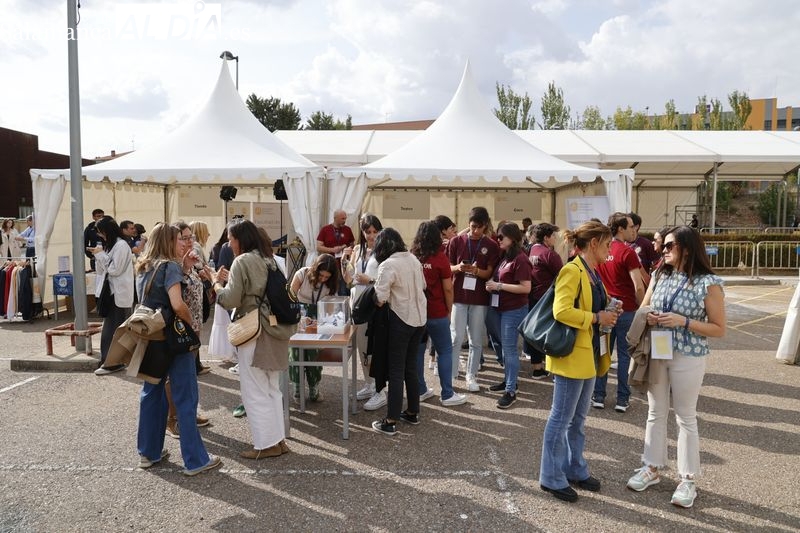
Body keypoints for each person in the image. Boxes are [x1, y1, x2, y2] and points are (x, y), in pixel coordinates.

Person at [626, 225, 725, 509]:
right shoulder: (660, 274)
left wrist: (683, 321)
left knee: (685, 416)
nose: (663, 250)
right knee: (655, 411)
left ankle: (688, 479)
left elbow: (719, 328)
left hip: (688, 354)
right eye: (663, 245)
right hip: (658, 350)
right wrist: (650, 316)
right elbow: (643, 307)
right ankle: (651, 467)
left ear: (687, 249)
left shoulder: (708, 283)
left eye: (669, 246)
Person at [539, 220, 618, 503]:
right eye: (607, 245)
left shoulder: (592, 272)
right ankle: (551, 477)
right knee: (561, 418)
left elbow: (590, 307)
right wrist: (597, 317)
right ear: (593, 244)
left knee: (577, 420)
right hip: (572, 356)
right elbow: (561, 311)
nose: (610, 250)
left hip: (588, 356)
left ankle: (574, 468)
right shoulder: (572, 270)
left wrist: (609, 310)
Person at [134, 222, 221, 475]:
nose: (183, 243)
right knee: (185, 396)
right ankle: (195, 460)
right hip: (174, 338)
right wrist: (191, 326)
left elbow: (155, 296)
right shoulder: (169, 266)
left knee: (152, 392)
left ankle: (148, 452)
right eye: (179, 239)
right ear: (168, 242)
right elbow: (177, 304)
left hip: (151, 336)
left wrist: (183, 268)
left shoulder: (145, 265)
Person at [210, 219, 291, 459]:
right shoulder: (269, 259)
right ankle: (278, 441)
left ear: (240, 239)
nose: (228, 244)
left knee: (254, 391)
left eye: (230, 239)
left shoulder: (242, 261)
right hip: (275, 330)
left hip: (254, 330)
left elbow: (230, 299)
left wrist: (216, 284)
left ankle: (266, 445)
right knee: (272, 389)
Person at [371, 228, 427, 436]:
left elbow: (380, 299)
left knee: (396, 370)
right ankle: (412, 412)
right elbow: (423, 285)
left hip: (401, 319)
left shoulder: (388, 264)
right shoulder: (413, 258)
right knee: (410, 367)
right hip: (420, 319)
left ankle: (390, 420)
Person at [411, 221, 466, 407]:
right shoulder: (440, 258)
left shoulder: (413, 256)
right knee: (444, 351)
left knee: (418, 353)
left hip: (417, 313)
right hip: (436, 312)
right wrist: (449, 310)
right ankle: (447, 394)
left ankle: (420, 390)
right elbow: (448, 289)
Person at [594, 212, 644, 413]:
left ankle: (598, 395)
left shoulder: (602, 250)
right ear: (621, 229)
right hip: (626, 310)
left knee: (603, 352)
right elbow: (638, 285)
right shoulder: (627, 252)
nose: (634, 230)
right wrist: (642, 307)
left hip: (605, 309)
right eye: (631, 226)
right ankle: (622, 399)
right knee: (624, 356)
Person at [164, 221, 211, 437]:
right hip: (181, 327)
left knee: (189, 374)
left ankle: (188, 413)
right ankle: (173, 419)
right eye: (184, 238)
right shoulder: (170, 265)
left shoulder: (185, 262)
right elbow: (176, 298)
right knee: (175, 376)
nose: (189, 241)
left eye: (191, 237)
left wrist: (198, 274)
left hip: (193, 325)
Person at [447, 206, 500, 392]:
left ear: (485, 226)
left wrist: (476, 271)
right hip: (459, 296)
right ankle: (451, 375)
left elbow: (490, 273)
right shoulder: (456, 241)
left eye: (479, 227)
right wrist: (459, 268)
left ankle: (471, 375)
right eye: (472, 226)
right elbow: (448, 267)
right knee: (456, 337)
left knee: (476, 340)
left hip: (479, 299)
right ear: (468, 224)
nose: (475, 230)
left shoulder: (491, 245)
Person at [342, 214, 387, 411]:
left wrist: (369, 280)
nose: (372, 235)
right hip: (357, 302)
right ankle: (369, 384)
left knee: (374, 347)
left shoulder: (384, 251)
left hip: (374, 303)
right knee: (361, 346)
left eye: (375, 231)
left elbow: (387, 281)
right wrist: (344, 261)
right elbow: (348, 279)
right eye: (368, 232)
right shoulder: (358, 250)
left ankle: (380, 390)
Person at [485, 222, 532, 409]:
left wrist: (499, 286)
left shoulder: (521, 259)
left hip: (514, 310)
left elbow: (526, 288)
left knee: (510, 349)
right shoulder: (506, 256)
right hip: (501, 308)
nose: (498, 240)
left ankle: (511, 390)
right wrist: (493, 283)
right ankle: (508, 382)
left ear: (512, 238)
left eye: (501, 237)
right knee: (506, 348)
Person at [289, 253, 339, 401]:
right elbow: (290, 297)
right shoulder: (302, 274)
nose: (323, 279)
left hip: (318, 317)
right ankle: (297, 388)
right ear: (315, 270)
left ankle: (314, 388)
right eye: (321, 275)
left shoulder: (332, 284)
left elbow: (331, 306)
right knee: (296, 351)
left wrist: (325, 322)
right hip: (299, 314)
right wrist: (297, 316)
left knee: (314, 352)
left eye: (327, 277)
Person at [90, 216, 134, 375]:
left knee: (112, 330)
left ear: (108, 231)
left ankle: (111, 363)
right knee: (112, 329)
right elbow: (102, 270)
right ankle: (113, 361)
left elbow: (115, 270)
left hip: (118, 294)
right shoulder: (112, 245)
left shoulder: (121, 245)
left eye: (101, 232)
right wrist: (98, 255)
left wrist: (100, 255)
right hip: (111, 293)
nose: (100, 236)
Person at [524, 223, 563, 379]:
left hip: (532, 297)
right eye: (553, 236)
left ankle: (537, 367)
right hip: (547, 299)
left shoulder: (530, 250)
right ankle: (552, 369)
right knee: (550, 334)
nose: (555, 238)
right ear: (546, 238)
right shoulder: (550, 255)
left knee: (535, 331)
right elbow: (563, 277)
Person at [316, 210, 355, 296]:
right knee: (328, 290)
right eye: (342, 219)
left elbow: (352, 244)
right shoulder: (325, 229)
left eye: (345, 218)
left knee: (343, 291)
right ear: (335, 218)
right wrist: (332, 250)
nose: (344, 221)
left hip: (343, 265)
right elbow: (318, 247)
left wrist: (347, 248)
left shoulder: (347, 229)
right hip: (329, 266)